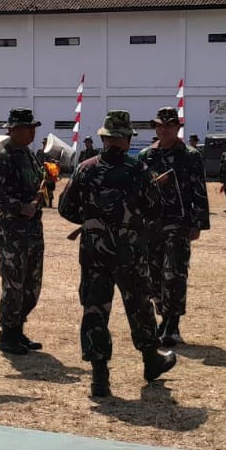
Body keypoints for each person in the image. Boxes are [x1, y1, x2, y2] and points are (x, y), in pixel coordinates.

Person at [59, 110, 177, 399]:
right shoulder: (138, 170)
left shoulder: (85, 168)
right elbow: (155, 209)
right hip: (130, 252)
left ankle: (99, 378)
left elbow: (66, 208)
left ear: (103, 137)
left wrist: (93, 223)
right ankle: (151, 361)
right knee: (139, 306)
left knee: (95, 310)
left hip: (94, 252)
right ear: (125, 139)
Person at [137, 106, 210, 347]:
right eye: (159, 125)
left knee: (175, 273)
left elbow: (199, 189)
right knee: (154, 274)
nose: (163, 129)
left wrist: (198, 223)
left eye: (168, 125)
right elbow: (138, 191)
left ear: (177, 128)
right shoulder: (146, 155)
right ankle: (163, 317)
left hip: (178, 224)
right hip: (152, 224)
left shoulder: (190, 155)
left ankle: (173, 323)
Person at [0, 108, 47, 355]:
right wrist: (19, 207)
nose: (32, 132)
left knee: (31, 283)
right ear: (14, 130)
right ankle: (7, 334)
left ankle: (18, 329)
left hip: (31, 229)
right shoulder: (5, 156)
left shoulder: (28, 155)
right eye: (28, 128)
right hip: (13, 230)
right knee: (14, 282)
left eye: (33, 128)